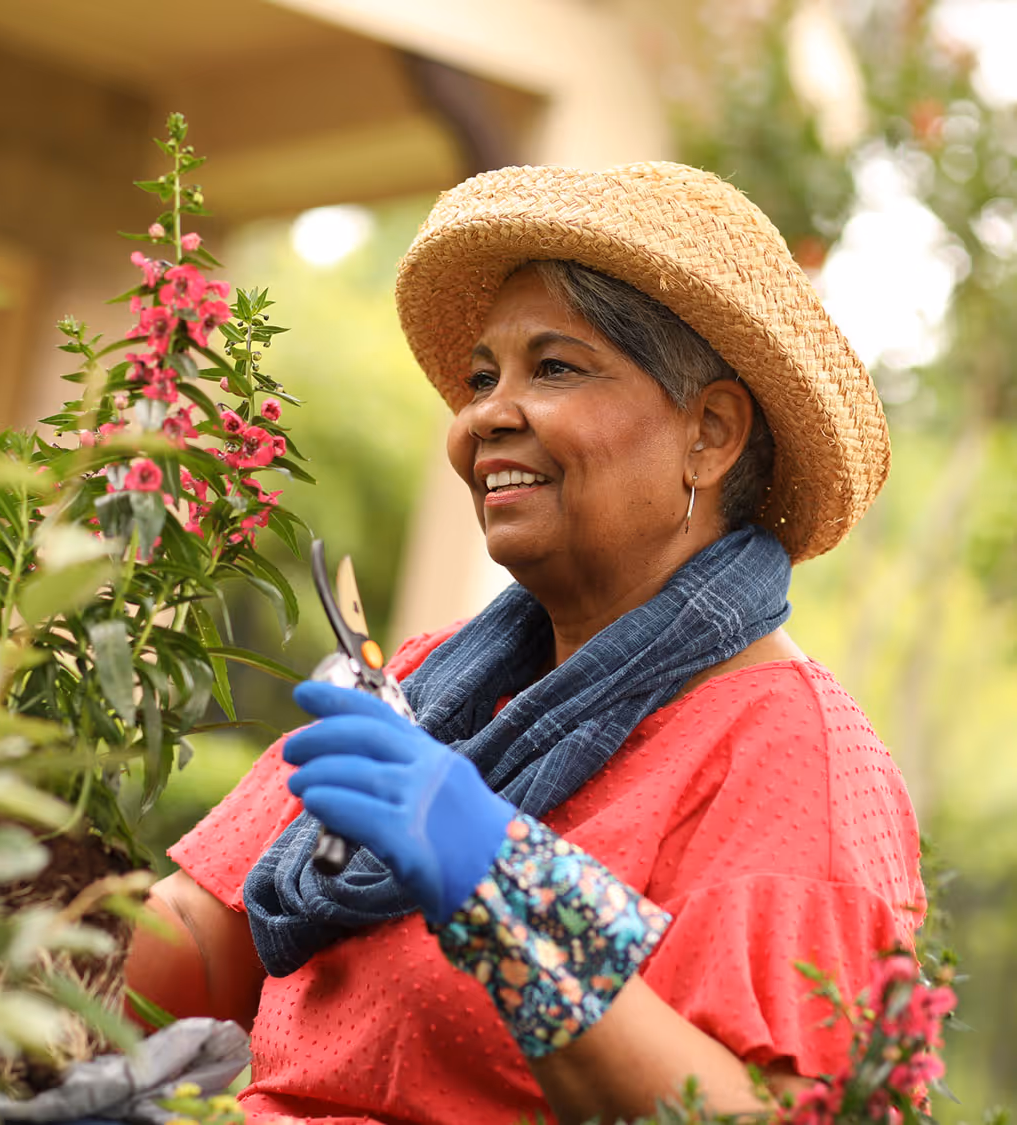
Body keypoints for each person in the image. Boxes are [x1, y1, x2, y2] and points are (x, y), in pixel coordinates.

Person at [125, 162, 925, 1125]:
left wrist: (495, 882)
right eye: (479, 377)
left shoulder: (789, 754)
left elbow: (771, 1114)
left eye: (553, 367)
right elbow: (202, 937)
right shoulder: (426, 679)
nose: (482, 418)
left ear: (708, 433)